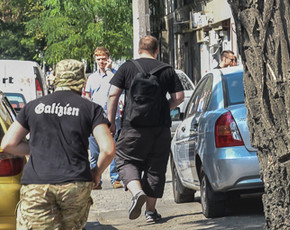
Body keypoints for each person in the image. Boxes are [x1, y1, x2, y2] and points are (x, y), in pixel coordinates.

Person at [0, 59, 115, 230]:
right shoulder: (90, 108)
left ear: (56, 78)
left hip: (38, 185)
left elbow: (8, 143)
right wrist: (96, 173)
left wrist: (37, 149)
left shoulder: (33, 107)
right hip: (75, 184)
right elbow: (108, 149)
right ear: (82, 81)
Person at [107, 35, 184, 223]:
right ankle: (150, 212)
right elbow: (179, 97)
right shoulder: (167, 70)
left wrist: (111, 121)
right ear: (157, 50)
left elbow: (112, 95)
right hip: (160, 129)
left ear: (139, 49)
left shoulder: (127, 67)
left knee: (125, 159)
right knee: (156, 168)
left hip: (132, 127)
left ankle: (136, 192)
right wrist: (164, 107)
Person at [84, 46, 123, 189]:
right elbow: (87, 97)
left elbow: (119, 86)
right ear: (95, 60)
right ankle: (96, 180)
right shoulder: (92, 79)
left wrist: (109, 69)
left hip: (112, 118)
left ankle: (115, 178)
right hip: (94, 119)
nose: (101, 62)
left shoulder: (114, 75)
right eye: (99, 59)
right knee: (94, 152)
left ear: (108, 59)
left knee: (112, 149)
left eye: (104, 59)